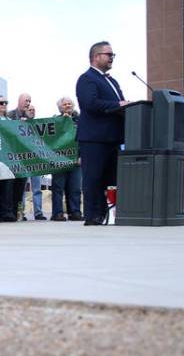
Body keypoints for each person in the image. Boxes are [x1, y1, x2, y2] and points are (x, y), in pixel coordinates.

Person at [76, 40, 128, 226]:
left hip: (113, 139)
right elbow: (90, 104)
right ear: (96, 56)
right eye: (109, 54)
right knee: (93, 178)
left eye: (113, 55)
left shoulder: (112, 80)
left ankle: (110, 214)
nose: (112, 58)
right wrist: (117, 105)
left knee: (112, 180)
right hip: (94, 139)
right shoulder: (87, 79)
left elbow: (120, 104)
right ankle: (93, 216)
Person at [0, 95, 20, 222]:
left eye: (6, 102)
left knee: (8, 185)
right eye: (1, 103)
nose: (4, 105)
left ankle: (6, 212)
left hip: (7, 157)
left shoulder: (9, 120)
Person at [50, 96, 83, 221]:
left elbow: (83, 139)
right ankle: (57, 213)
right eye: (65, 104)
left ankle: (75, 212)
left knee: (75, 188)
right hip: (59, 160)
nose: (68, 106)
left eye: (69, 104)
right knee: (58, 188)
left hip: (76, 160)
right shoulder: (54, 121)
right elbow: (51, 140)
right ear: (60, 107)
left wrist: (81, 156)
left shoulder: (80, 120)